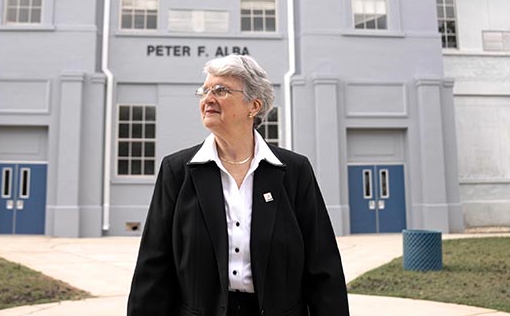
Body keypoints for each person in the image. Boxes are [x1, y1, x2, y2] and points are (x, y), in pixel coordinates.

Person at [127, 54, 350, 316]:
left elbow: (323, 266)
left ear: (253, 106)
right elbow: (153, 267)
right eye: (205, 90)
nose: (208, 98)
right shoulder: (177, 171)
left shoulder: (294, 171)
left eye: (221, 90)